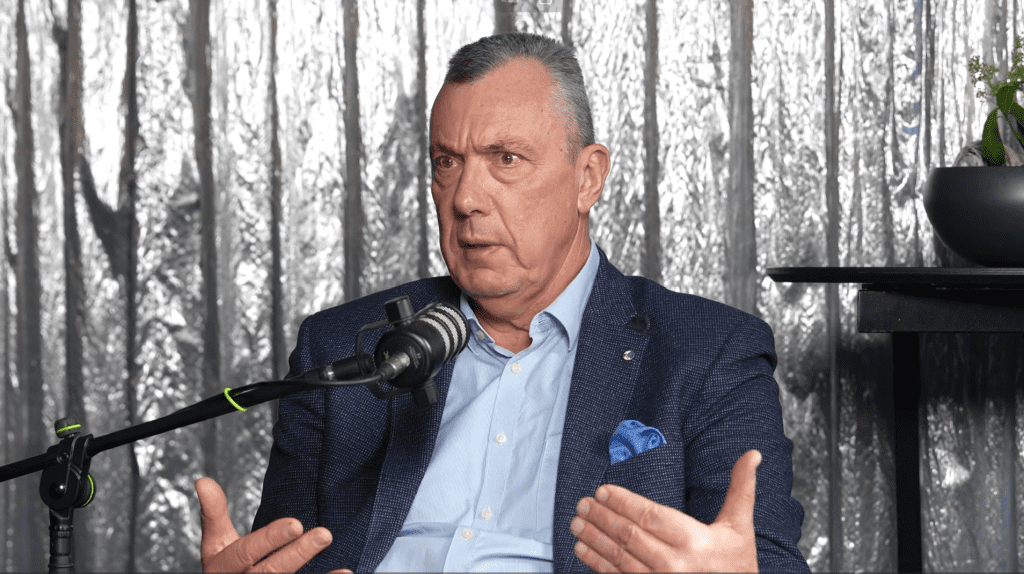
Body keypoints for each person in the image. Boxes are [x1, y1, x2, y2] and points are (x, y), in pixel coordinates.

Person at [196, 32, 809, 573]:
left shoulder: (708, 352)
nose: (465, 198)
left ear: (588, 178)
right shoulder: (344, 348)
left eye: (506, 159)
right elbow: (282, 556)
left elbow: (764, 557)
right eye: (447, 162)